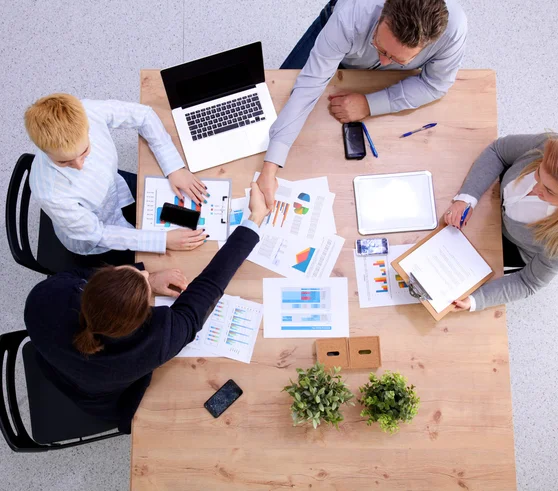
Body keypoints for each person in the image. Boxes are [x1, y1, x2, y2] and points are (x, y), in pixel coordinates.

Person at [24, 182, 269, 434]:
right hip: (99, 399)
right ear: (142, 319)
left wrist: (148, 280)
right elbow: (210, 285)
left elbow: (76, 274)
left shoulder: (42, 298)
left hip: (54, 364)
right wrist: (255, 219)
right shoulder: (155, 341)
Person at [257, 0, 467, 205]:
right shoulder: (349, 16)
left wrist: (370, 104)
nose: (384, 62)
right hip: (340, 38)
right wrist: (270, 166)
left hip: (382, 78)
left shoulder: (453, 30)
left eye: (399, 59)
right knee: (275, 96)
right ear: (383, 11)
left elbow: (434, 85)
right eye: (381, 47)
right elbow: (309, 85)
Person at [24, 93, 208, 261]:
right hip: (98, 237)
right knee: (162, 262)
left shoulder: (87, 112)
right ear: (44, 151)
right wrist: (162, 240)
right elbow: (99, 234)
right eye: (65, 162)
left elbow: (143, 115)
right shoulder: (49, 193)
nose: (80, 166)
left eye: (85, 151)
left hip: (116, 187)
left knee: (188, 211)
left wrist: (174, 167)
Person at [444, 134, 558, 312]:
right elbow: (498, 151)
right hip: (489, 202)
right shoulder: (548, 147)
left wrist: (475, 300)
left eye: (549, 191)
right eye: (539, 172)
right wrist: (467, 198)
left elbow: (528, 282)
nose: (535, 187)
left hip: (511, 244)